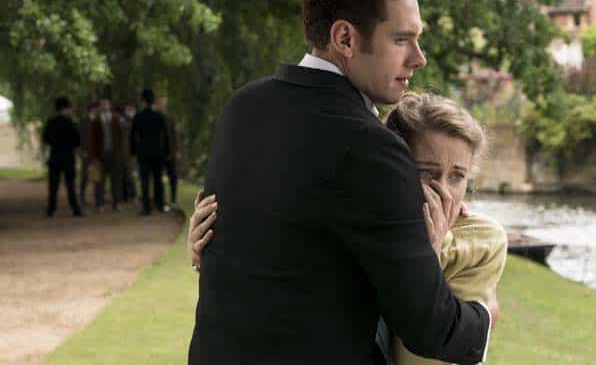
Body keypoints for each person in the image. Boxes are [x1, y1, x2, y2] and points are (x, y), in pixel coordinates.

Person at [188, 0, 496, 365]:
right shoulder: (371, 148)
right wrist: (484, 316)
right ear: (346, 39)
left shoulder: (243, 107)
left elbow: (279, 246)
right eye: (401, 40)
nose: (418, 57)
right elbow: (429, 327)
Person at [188, 92, 509, 365]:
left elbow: (425, 353)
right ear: (394, 170)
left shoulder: (481, 240)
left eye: (457, 176)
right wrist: (215, 251)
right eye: (426, 172)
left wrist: (428, 255)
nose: (444, 190)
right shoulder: (356, 229)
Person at [130, 88, 169, 215]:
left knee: (145, 181)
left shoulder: (138, 116)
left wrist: (133, 152)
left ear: (143, 101)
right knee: (158, 180)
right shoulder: (159, 116)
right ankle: (160, 205)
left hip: (143, 154)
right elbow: (166, 135)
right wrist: (166, 151)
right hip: (158, 153)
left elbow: (133, 136)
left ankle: (146, 208)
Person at [42, 97, 83, 217]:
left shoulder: (51, 122)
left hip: (55, 156)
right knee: (70, 185)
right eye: (69, 108)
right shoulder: (71, 122)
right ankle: (75, 209)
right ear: (65, 108)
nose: (71, 110)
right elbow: (77, 141)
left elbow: (46, 139)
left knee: (53, 185)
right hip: (68, 157)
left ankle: (51, 210)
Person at [89, 97, 123, 212]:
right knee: (99, 181)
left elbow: (120, 137)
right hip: (100, 155)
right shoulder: (95, 120)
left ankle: (117, 203)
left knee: (116, 180)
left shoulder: (116, 118)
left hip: (115, 154)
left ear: (110, 105)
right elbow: (92, 140)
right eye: (102, 104)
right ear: (100, 106)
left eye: (106, 104)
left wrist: (120, 153)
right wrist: (94, 157)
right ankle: (100, 204)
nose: (104, 106)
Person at [156, 97, 179, 206]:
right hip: (158, 154)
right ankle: (159, 201)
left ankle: (173, 198)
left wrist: (176, 150)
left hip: (170, 153)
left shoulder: (169, 118)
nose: (162, 105)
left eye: (163, 103)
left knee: (173, 176)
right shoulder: (154, 118)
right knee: (158, 178)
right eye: (160, 103)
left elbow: (174, 135)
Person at [78, 102, 98, 207]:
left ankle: (97, 198)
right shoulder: (83, 122)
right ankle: (81, 197)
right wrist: (81, 152)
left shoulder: (98, 120)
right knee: (85, 176)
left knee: (97, 175)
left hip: (97, 153)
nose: (96, 111)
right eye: (95, 109)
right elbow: (79, 138)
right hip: (86, 152)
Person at [119, 102, 137, 203]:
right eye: (128, 109)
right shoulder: (122, 121)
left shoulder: (135, 121)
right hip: (123, 151)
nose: (129, 111)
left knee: (129, 174)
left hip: (131, 152)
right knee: (124, 173)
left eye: (131, 109)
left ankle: (133, 195)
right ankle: (125, 196)